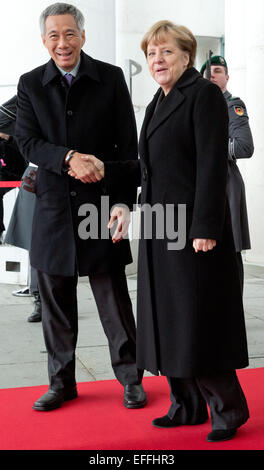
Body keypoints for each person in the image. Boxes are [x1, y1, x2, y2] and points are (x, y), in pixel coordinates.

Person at [104, 20, 249, 443]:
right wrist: (123, 203)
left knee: (197, 321)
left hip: (192, 233)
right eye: (151, 53)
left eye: (166, 52)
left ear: (187, 56)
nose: (157, 60)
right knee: (167, 320)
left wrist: (206, 226)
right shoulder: (157, 101)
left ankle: (228, 411)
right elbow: (147, 169)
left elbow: (210, 166)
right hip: (159, 230)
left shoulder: (202, 96)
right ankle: (185, 405)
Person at [15, 2, 146, 412]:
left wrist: (124, 203)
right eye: (53, 35)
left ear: (83, 36)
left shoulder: (109, 78)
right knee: (55, 304)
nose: (62, 42)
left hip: (101, 208)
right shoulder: (30, 83)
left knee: (114, 302)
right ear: (43, 40)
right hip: (53, 210)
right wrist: (69, 157)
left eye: (69, 33)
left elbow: (128, 147)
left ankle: (131, 379)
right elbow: (28, 142)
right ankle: (61, 382)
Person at [200, 55, 254, 292]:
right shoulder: (197, 104)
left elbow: (244, 146)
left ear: (227, 77)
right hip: (200, 183)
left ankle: (234, 316)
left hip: (225, 182)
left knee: (230, 249)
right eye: (208, 70)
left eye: (218, 70)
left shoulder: (233, 105)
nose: (211, 73)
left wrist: (207, 146)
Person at [0, 96, 42, 322]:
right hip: (36, 175)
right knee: (36, 241)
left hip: (68, 173)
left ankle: (46, 298)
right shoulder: (30, 94)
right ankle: (40, 299)